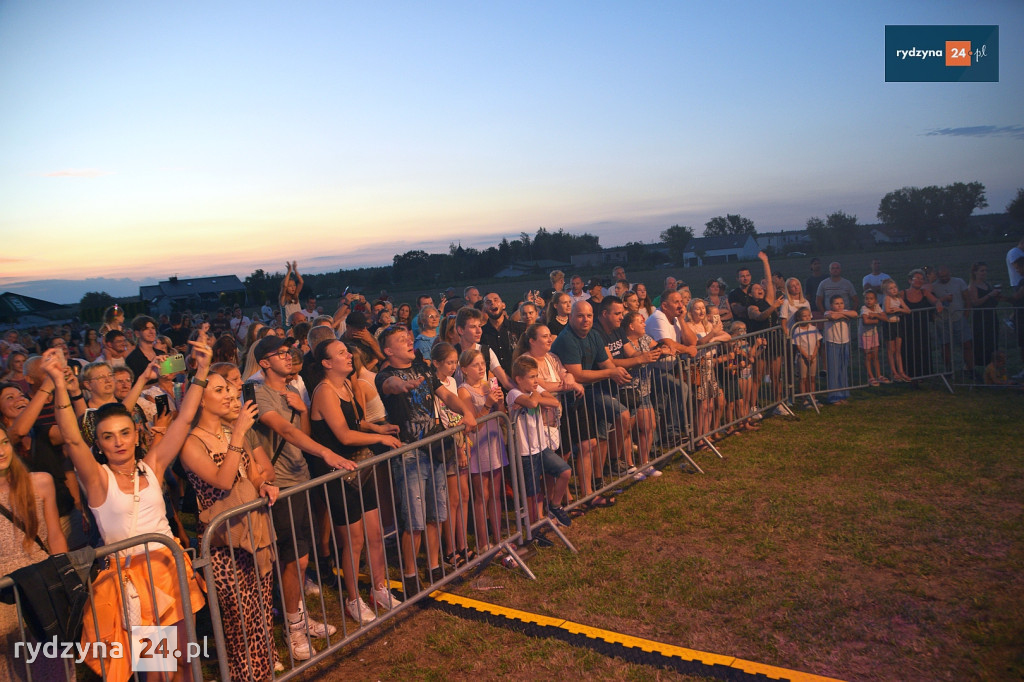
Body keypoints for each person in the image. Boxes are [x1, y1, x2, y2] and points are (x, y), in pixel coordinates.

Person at [41, 341, 210, 682]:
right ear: (99, 444)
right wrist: (59, 385)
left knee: (187, 664)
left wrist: (202, 373)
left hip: (171, 570)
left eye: (124, 433)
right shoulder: (98, 480)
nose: (118, 441)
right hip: (134, 582)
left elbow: (185, 419)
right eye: (108, 436)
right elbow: (73, 441)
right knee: (157, 672)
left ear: (136, 435)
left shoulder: (152, 466)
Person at [248, 335, 353, 661]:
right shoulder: (256, 393)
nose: (288, 357)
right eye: (280, 353)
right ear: (264, 362)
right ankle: (292, 626)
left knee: (301, 557)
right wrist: (327, 453)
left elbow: (302, 432)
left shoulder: (293, 392)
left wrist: (303, 409)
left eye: (289, 352)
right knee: (294, 558)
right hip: (280, 484)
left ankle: (298, 616)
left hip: (300, 478)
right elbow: (284, 431)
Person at [180, 373, 279, 681]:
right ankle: (244, 676)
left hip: (253, 534)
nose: (229, 395)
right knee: (240, 622)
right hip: (224, 545)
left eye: (230, 389)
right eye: (219, 390)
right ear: (199, 399)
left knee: (261, 612)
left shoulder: (231, 431)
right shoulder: (190, 443)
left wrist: (265, 485)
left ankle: (263, 674)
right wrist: (238, 436)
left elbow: (255, 472)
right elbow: (223, 481)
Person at [375, 326, 477, 598]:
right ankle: (410, 577)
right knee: (414, 520)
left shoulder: (425, 369)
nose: (409, 341)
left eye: (408, 338)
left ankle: (433, 569)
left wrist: (466, 412)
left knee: (436, 514)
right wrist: (404, 385)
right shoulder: (385, 375)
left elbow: (447, 395)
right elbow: (390, 386)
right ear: (388, 350)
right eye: (401, 340)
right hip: (410, 453)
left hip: (434, 449)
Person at [309, 341, 403, 625]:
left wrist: (377, 427)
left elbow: (356, 423)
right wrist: (380, 438)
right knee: (354, 540)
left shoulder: (348, 385)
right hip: (338, 474)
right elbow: (344, 436)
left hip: (360, 467)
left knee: (375, 533)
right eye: (341, 353)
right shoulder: (324, 391)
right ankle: (353, 599)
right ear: (327, 363)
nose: (349, 355)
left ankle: (378, 588)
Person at [0, 424, 68, 682]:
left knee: (51, 661)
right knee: (14, 667)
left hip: (42, 581)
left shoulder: (40, 482)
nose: (1, 451)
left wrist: (64, 579)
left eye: (4, 442)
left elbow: (55, 535)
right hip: (3, 593)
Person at [551, 301, 632, 506]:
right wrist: (611, 372)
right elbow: (577, 374)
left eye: (588, 316)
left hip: (583, 397)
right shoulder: (566, 339)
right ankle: (563, 498)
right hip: (564, 401)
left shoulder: (594, 335)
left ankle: (588, 494)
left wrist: (616, 372)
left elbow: (606, 363)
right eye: (580, 316)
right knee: (566, 451)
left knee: (590, 443)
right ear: (570, 317)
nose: (585, 320)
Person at [506, 355, 572, 526]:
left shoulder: (533, 391)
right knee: (533, 492)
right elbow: (531, 403)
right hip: (525, 452)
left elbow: (554, 402)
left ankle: (555, 505)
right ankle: (535, 525)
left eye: (536, 376)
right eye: (531, 377)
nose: (536, 381)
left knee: (565, 471)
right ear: (519, 379)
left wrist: (535, 398)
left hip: (541, 447)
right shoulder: (513, 393)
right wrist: (535, 398)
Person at [457, 349, 508, 549]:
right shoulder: (463, 390)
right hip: (478, 446)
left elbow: (501, 415)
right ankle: (483, 541)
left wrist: (500, 402)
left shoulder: (488, 385)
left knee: (495, 493)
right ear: (464, 369)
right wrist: (487, 404)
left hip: (494, 443)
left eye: (482, 364)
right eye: (476, 365)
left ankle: (498, 537)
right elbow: (474, 425)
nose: (481, 368)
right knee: (482, 495)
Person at [430, 343, 473, 569]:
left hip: (460, 441)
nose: (453, 366)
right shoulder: (433, 386)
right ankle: (450, 549)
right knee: (452, 499)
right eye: (449, 362)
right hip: (447, 444)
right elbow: (444, 416)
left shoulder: (453, 382)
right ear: (436, 363)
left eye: (455, 362)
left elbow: (457, 414)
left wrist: (463, 443)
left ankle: (462, 542)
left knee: (464, 496)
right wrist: (457, 445)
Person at [902, 269, 942, 380]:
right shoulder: (903, 294)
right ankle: (909, 376)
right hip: (907, 328)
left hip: (922, 327)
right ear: (910, 280)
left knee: (923, 349)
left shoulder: (925, 292)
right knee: (909, 350)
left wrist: (938, 304)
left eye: (922, 279)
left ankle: (924, 375)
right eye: (917, 278)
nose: (919, 281)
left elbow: (935, 301)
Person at [931, 266, 972, 375]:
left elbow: (967, 299)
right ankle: (948, 370)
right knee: (945, 345)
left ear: (950, 273)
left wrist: (966, 315)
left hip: (958, 317)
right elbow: (931, 302)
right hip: (942, 320)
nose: (944, 278)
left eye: (946, 276)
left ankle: (970, 368)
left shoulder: (959, 282)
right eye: (942, 277)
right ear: (938, 276)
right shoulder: (934, 287)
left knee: (966, 344)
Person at [967, 262, 1002, 373]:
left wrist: (996, 297)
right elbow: (975, 302)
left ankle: (992, 365)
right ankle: (975, 365)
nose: (984, 273)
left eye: (985, 270)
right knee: (980, 341)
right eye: (982, 270)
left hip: (991, 316)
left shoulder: (988, 284)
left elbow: (992, 302)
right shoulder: (972, 286)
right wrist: (989, 295)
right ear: (975, 272)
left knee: (992, 340)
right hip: (980, 318)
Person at [823, 295, 858, 404]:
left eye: (841, 303)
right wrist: (842, 315)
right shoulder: (827, 313)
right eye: (837, 303)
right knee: (834, 370)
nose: (839, 305)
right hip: (833, 343)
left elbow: (855, 314)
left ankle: (843, 394)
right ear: (831, 305)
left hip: (845, 343)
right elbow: (832, 317)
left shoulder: (845, 311)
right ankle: (834, 396)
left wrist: (841, 314)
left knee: (843, 369)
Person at [480, 293, 525, 376]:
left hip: (519, 378)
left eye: (495, 300)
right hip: (494, 383)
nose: (492, 303)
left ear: (503, 305)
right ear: (485, 309)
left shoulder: (519, 328)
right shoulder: (481, 333)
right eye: (488, 302)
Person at [883, 280, 913, 382]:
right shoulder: (887, 298)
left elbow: (908, 310)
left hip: (897, 324)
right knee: (891, 350)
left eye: (895, 287)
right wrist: (896, 310)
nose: (894, 289)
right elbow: (887, 310)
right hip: (889, 324)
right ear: (886, 291)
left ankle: (901, 371)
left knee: (898, 350)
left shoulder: (899, 298)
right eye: (891, 288)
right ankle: (894, 371)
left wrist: (899, 310)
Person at [790, 308, 821, 406]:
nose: (807, 317)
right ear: (799, 318)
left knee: (812, 378)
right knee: (803, 378)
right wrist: (805, 355)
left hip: (813, 357)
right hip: (802, 357)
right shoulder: (797, 330)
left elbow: (818, 343)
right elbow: (798, 345)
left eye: (808, 315)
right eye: (804, 316)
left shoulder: (814, 328)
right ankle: (804, 399)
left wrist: (814, 354)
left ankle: (813, 396)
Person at [859, 290, 887, 386]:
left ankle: (879, 375)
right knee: (868, 356)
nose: (868, 301)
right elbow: (865, 321)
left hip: (874, 334)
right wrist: (877, 321)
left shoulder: (877, 307)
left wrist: (875, 315)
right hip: (865, 335)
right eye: (866, 298)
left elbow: (885, 317)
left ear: (875, 300)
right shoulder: (864, 308)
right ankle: (871, 376)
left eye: (871, 299)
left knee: (875, 355)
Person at [279, 261, 305, 327]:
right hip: (288, 326)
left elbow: (301, 282)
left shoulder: (296, 296)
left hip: (299, 324)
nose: (293, 288)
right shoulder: (283, 298)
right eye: (290, 286)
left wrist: (295, 270)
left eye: (294, 285)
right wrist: (289, 271)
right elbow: (284, 286)